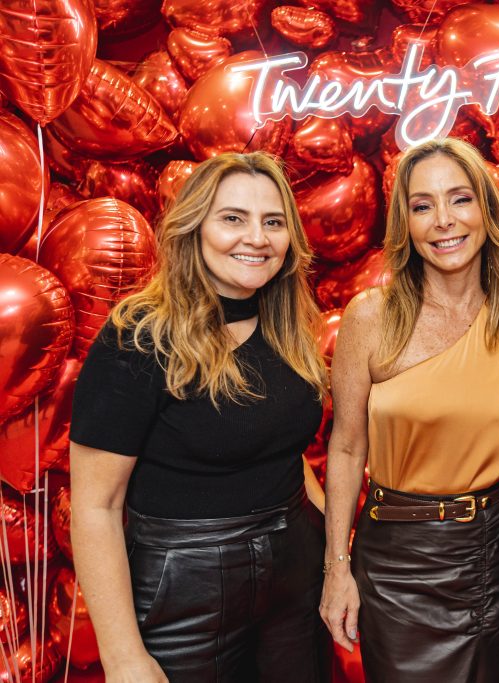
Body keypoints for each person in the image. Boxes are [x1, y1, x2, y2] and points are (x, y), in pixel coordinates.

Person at [69, 152, 330, 683]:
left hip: (296, 573)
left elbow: (285, 446)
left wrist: (329, 541)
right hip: (184, 589)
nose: (256, 237)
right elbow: (96, 506)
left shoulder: (289, 326)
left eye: (272, 221)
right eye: (233, 218)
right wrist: (122, 658)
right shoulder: (137, 338)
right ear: (195, 228)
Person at [319, 137, 499, 682]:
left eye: (459, 199)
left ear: (486, 210)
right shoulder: (371, 316)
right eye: (422, 206)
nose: (443, 220)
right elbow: (344, 448)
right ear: (406, 225)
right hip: (399, 563)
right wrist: (336, 569)